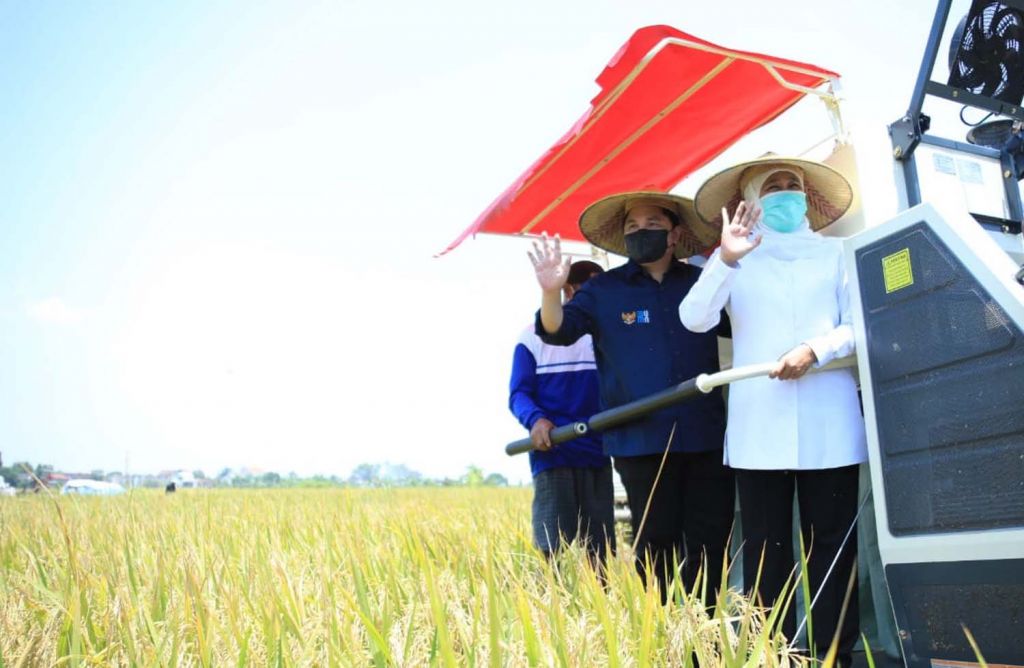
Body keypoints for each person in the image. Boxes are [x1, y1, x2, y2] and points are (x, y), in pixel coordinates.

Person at [678, 156, 866, 665]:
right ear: (752, 202)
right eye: (773, 186)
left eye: (794, 185)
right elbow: (695, 319)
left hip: (831, 420)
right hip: (758, 425)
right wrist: (726, 258)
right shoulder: (735, 259)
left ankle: (832, 656)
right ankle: (772, 655)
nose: (786, 193)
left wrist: (814, 349)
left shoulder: (837, 254)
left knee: (833, 549)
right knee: (765, 551)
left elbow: (857, 324)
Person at [528, 192, 733, 603]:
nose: (642, 233)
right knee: (656, 545)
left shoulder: (702, 283)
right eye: (632, 228)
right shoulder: (605, 290)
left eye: (652, 225)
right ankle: (662, 641)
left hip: (705, 435)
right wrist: (551, 292)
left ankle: (708, 645)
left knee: (710, 544)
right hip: (640, 442)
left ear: (675, 234)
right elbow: (557, 329)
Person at [509, 260, 615, 564]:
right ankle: (552, 607)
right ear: (569, 291)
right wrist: (536, 421)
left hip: (598, 452)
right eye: (593, 290)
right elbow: (519, 393)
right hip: (553, 452)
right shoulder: (532, 335)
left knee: (600, 551)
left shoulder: (609, 335)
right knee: (552, 547)